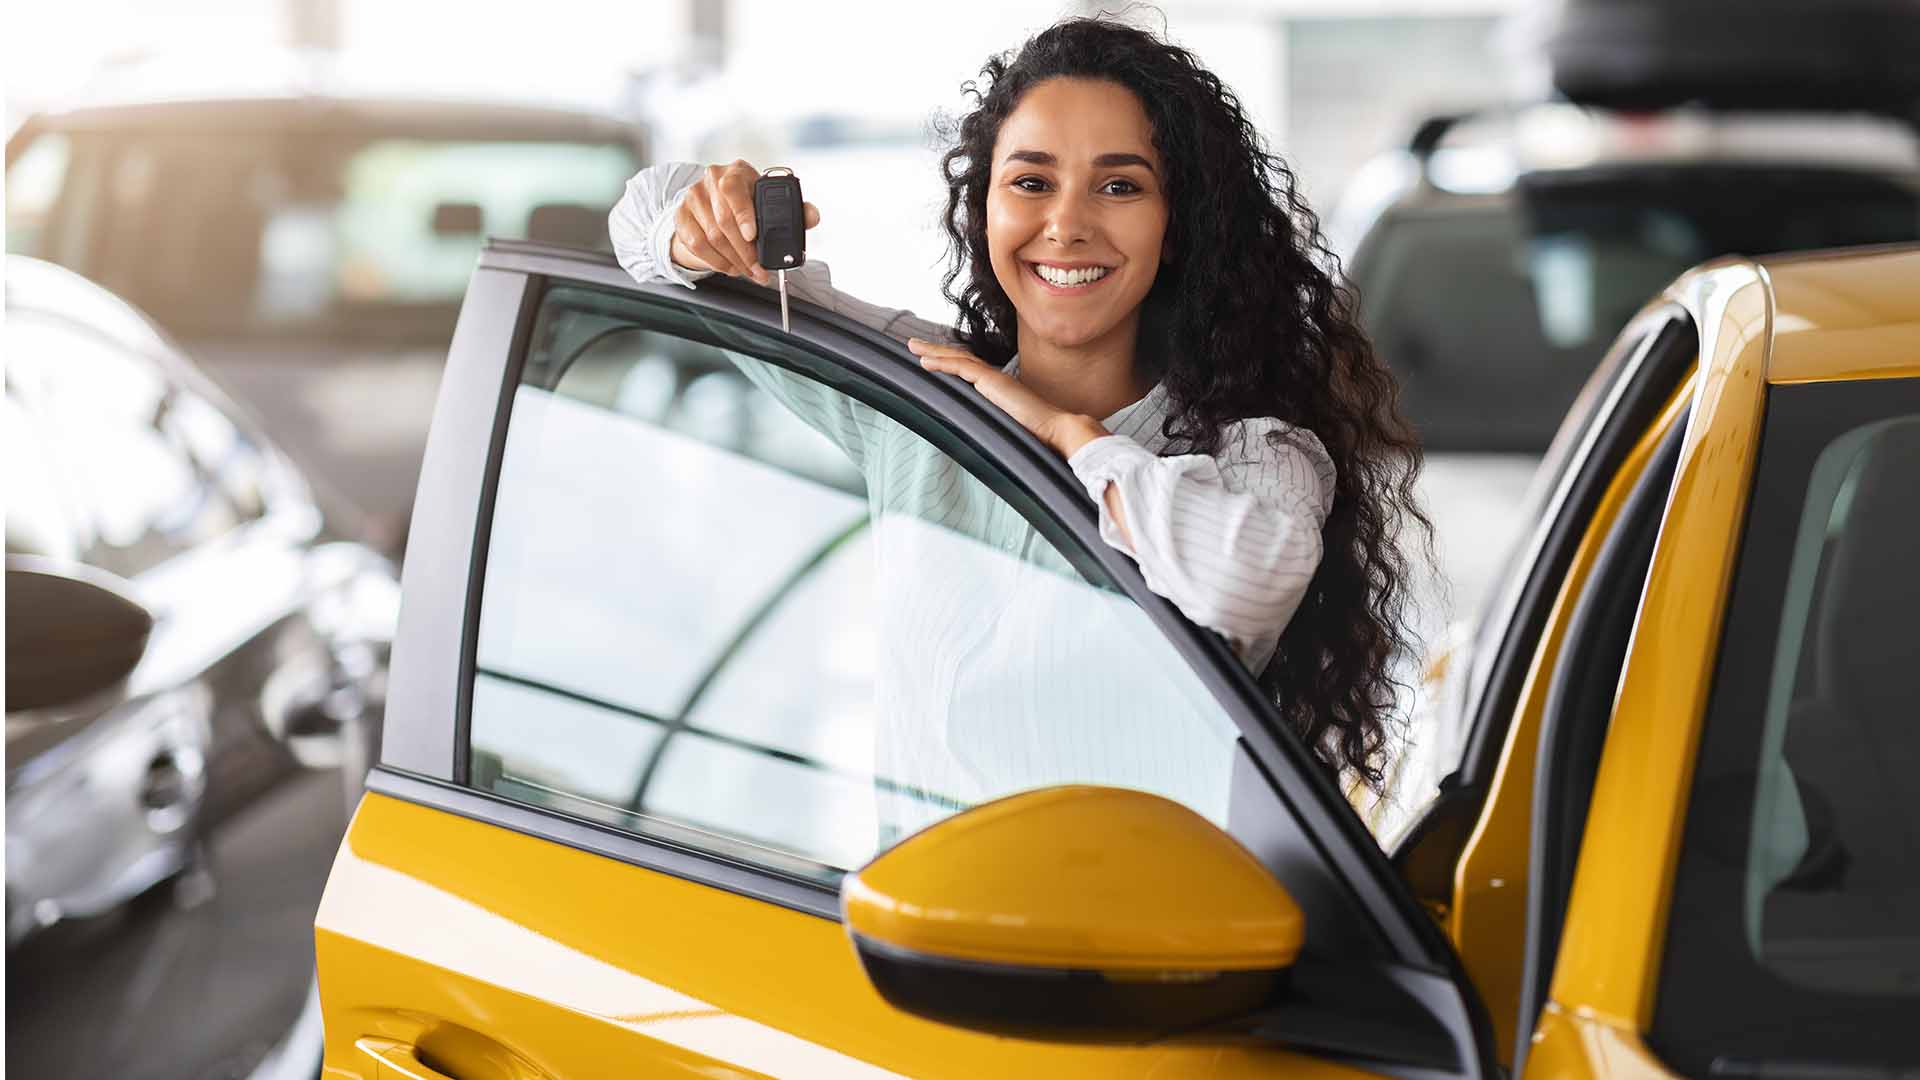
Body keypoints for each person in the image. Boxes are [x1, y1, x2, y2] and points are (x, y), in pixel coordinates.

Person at [609, 16, 1429, 844]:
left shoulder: (1255, 452)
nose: (1066, 225)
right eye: (1031, 182)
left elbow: (1242, 581)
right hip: (922, 946)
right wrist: (695, 216)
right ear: (985, 209)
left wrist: (1069, 434)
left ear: (1177, 225)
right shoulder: (918, 395)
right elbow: (641, 226)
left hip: (1157, 956)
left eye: (1119, 186)